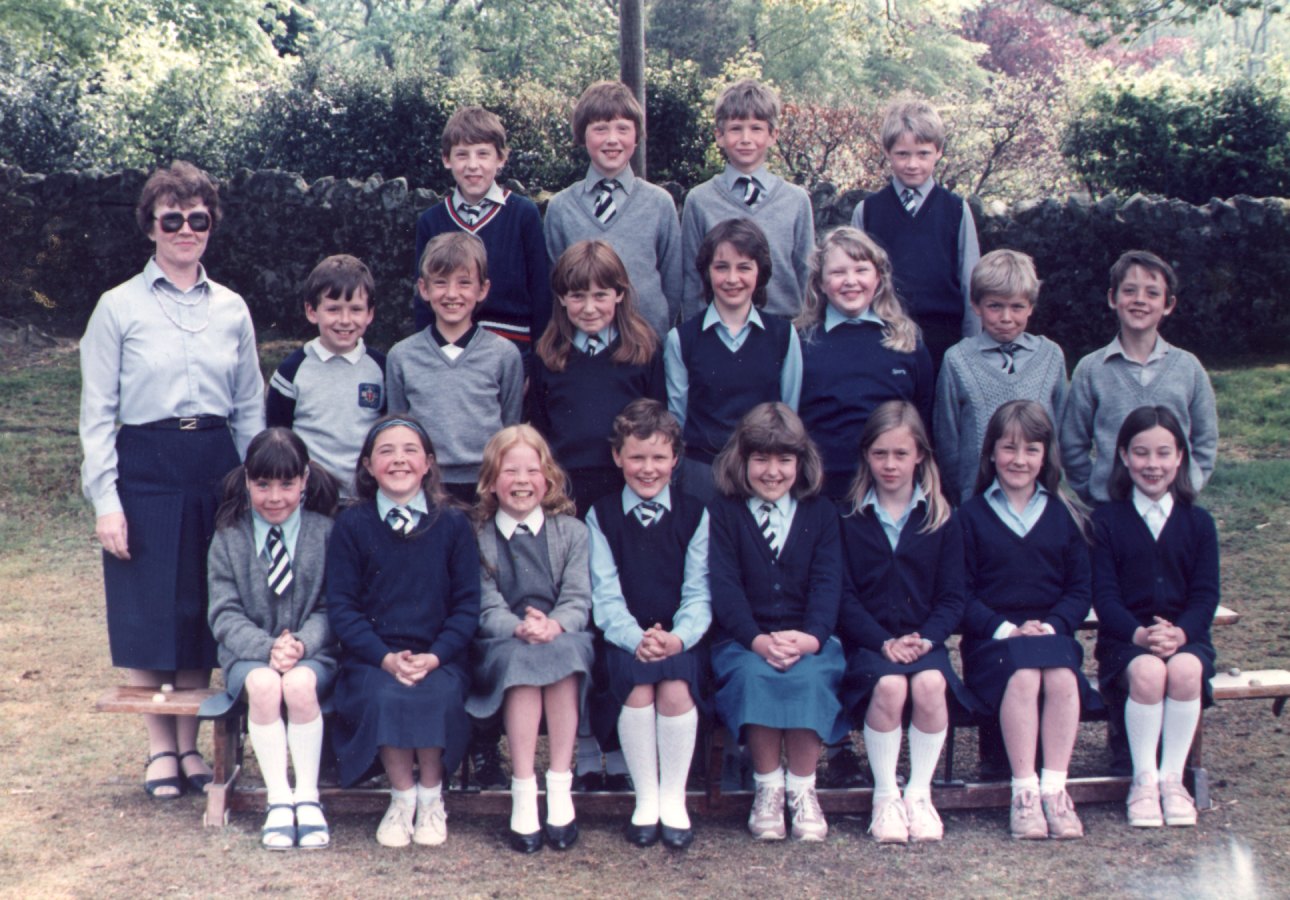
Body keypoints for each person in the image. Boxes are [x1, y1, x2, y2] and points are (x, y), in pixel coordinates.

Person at [79, 160, 265, 799]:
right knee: (148, 605)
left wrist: (253, 486)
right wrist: (107, 500)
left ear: (210, 226)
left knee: (199, 603)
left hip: (215, 461)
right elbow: (97, 414)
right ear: (151, 226)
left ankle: (193, 743)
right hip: (145, 464)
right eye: (172, 219)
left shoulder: (232, 308)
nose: (186, 230)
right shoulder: (117, 307)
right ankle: (162, 747)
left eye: (198, 219)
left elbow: (249, 407)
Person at [325, 415, 481, 847]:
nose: (399, 460)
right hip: (374, 657)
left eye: (410, 450)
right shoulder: (351, 526)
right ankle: (402, 797)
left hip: (439, 655)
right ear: (368, 466)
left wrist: (436, 655)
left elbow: (468, 604)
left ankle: (432, 799)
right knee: (387, 693)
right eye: (386, 451)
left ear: (428, 463)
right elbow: (343, 606)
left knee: (436, 693)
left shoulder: (452, 524)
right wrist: (383, 658)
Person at [957, 401, 1095, 840]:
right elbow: (960, 594)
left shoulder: (1064, 515)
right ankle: (1024, 793)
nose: (1019, 460)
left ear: (1045, 456)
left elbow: (1079, 590)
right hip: (993, 644)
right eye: (1009, 448)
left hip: (1051, 636)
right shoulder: (970, 516)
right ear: (991, 453)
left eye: (1031, 449)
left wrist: (1052, 625)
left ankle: (1055, 789)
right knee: (1023, 673)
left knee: (1059, 675)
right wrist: (1007, 629)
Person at [708, 402, 844, 842]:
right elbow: (725, 588)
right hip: (745, 641)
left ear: (801, 463)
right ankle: (767, 788)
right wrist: (758, 641)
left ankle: (803, 790)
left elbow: (828, 584)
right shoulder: (725, 513)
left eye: (784, 460)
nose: (772, 471)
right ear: (742, 460)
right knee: (755, 675)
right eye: (761, 459)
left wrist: (809, 638)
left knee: (808, 676)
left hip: (807, 638)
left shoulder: (820, 513)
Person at [836, 400, 969, 844]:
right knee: (891, 686)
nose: (890, 464)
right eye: (880, 454)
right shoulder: (850, 517)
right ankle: (885, 794)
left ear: (920, 457)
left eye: (900, 454)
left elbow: (953, 598)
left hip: (924, 645)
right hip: (870, 648)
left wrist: (928, 639)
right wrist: (882, 642)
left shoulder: (941, 518)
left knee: (931, 684)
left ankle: (919, 793)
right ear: (866, 457)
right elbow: (845, 597)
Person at [206, 428, 341, 849]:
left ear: (304, 480)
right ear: (247, 481)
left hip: (312, 650)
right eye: (263, 485)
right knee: (265, 686)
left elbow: (333, 606)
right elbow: (224, 613)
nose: (275, 496)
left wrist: (300, 644)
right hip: (248, 654)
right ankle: (279, 798)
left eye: (286, 484)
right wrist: (267, 649)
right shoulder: (230, 534)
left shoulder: (326, 533)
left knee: (299, 685)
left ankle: (308, 797)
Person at [587, 399, 711, 851]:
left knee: (676, 688)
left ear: (675, 459)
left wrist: (677, 638)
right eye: (636, 456)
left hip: (680, 640)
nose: (647, 468)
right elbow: (605, 594)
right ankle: (646, 798)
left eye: (659, 457)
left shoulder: (697, 514)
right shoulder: (599, 515)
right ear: (618, 456)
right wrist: (636, 639)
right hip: (626, 640)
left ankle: (672, 798)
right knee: (638, 688)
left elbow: (699, 591)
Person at [466, 425, 594, 854]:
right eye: (509, 471)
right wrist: (518, 627)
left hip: (562, 634)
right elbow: (486, 606)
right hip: (504, 642)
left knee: (562, 657)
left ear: (549, 478)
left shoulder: (572, 533)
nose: (521, 481)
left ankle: (559, 786)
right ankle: (524, 789)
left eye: (532, 471)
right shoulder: (478, 537)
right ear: (489, 480)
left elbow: (578, 597)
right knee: (522, 664)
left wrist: (554, 624)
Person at [1092, 406, 1219, 828]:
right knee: (1147, 674)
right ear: (1124, 456)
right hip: (1126, 641)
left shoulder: (1198, 523)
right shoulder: (1106, 522)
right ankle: (1143, 780)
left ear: (1180, 457)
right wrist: (1141, 636)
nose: (1153, 464)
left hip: (1186, 638)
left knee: (1184, 672)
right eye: (1141, 453)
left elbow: (1205, 596)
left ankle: (1173, 779)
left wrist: (1180, 635)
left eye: (1164, 453)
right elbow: (1105, 598)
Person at [1060, 250, 1218, 506]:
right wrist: (1095, 491)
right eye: (1130, 291)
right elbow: (1072, 442)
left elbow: (1205, 440)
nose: (1140, 300)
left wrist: (1187, 487)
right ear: (1113, 298)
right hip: (1111, 509)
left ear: (1168, 304)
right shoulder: (1091, 370)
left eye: (1152, 293)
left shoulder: (1188, 368)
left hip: (1173, 507)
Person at [665, 218, 803, 504]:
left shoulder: (783, 336)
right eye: (721, 267)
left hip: (764, 474)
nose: (732, 279)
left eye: (744, 267)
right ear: (707, 272)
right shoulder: (682, 339)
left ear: (760, 273)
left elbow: (789, 412)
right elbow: (677, 420)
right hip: (702, 476)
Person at [796, 226, 934, 502]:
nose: (851, 281)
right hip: (823, 492)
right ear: (820, 283)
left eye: (861, 270)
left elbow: (925, 416)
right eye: (837, 273)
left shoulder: (905, 340)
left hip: (889, 491)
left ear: (879, 278)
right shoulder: (801, 342)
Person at [410, 105, 550, 372]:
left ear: (501, 159)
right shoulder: (431, 221)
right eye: (462, 155)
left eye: (483, 154)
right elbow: (424, 300)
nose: (472, 165)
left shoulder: (523, 214)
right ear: (446, 159)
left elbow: (541, 295)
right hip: (450, 352)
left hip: (514, 351)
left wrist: (537, 365)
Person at [386, 232, 524, 505]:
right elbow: (398, 427)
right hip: (425, 485)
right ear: (424, 289)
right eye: (441, 283)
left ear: (482, 289)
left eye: (464, 283)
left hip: (486, 486)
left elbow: (510, 427)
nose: (452, 294)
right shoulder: (401, 356)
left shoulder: (504, 355)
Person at [528, 240, 665, 513]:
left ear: (619, 294)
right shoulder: (547, 354)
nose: (589, 308)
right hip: (566, 488)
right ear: (562, 298)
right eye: (578, 296)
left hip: (624, 485)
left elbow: (658, 421)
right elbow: (539, 426)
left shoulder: (643, 350)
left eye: (600, 295)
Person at [543, 80, 683, 338]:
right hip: (582, 347)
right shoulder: (561, 208)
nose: (612, 139)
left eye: (622, 129)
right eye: (600, 129)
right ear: (582, 136)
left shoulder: (659, 203)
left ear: (637, 136)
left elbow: (673, 284)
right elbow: (555, 285)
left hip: (648, 346)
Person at [851, 98, 981, 372]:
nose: (913, 164)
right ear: (887, 152)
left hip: (943, 336)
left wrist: (973, 344)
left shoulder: (956, 210)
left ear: (939, 152)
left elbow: (971, 281)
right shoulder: (868, 211)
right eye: (902, 154)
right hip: (885, 334)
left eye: (923, 154)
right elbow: (856, 281)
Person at [934, 250, 1067, 504]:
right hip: (976, 500)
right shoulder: (957, 360)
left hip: (1037, 499)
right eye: (995, 306)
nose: (1006, 318)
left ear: (1030, 307)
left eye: (1017, 307)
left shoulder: (1051, 357)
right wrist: (961, 495)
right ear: (976, 305)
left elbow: (1059, 431)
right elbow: (947, 439)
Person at [679, 78, 814, 321]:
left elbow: (807, 273)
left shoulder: (796, 200)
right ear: (719, 135)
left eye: (756, 128)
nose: (745, 138)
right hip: (720, 328)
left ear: (773, 135)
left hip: (786, 327)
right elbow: (692, 278)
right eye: (735, 128)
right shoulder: (699, 200)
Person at [266, 254, 386, 498]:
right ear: (312, 311)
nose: (344, 320)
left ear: (370, 314)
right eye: (333, 309)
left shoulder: (381, 369)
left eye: (355, 309)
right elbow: (277, 436)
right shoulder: (292, 371)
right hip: (310, 499)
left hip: (366, 498)